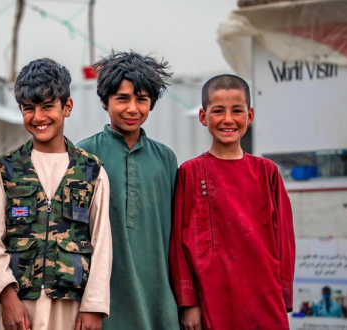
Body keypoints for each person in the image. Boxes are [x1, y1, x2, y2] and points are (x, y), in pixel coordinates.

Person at [0, 58, 112, 330]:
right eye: (29, 109)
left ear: (67, 107)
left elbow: (102, 245)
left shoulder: (91, 171)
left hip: (72, 306)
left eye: (47, 106)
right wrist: (7, 297)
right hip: (20, 305)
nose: (38, 117)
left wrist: (93, 307)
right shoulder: (5, 169)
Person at [169, 74, 296, 329]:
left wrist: (284, 294)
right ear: (204, 117)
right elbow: (178, 245)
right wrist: (188, 303)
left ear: (249, 116)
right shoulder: (190, 173)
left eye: (236, 111)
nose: (228, 119)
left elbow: (285, 239)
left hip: (263, 296)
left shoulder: (267, 172)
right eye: (218, 111)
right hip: (211, 298)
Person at [76, 51, 180, 330]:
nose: (132, 108)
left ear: (152, 104)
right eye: (122, 98)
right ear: (104, 101)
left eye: (141, 99)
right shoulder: (84, 155)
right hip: (104, 303)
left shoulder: (166, 159)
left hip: (159, 298)